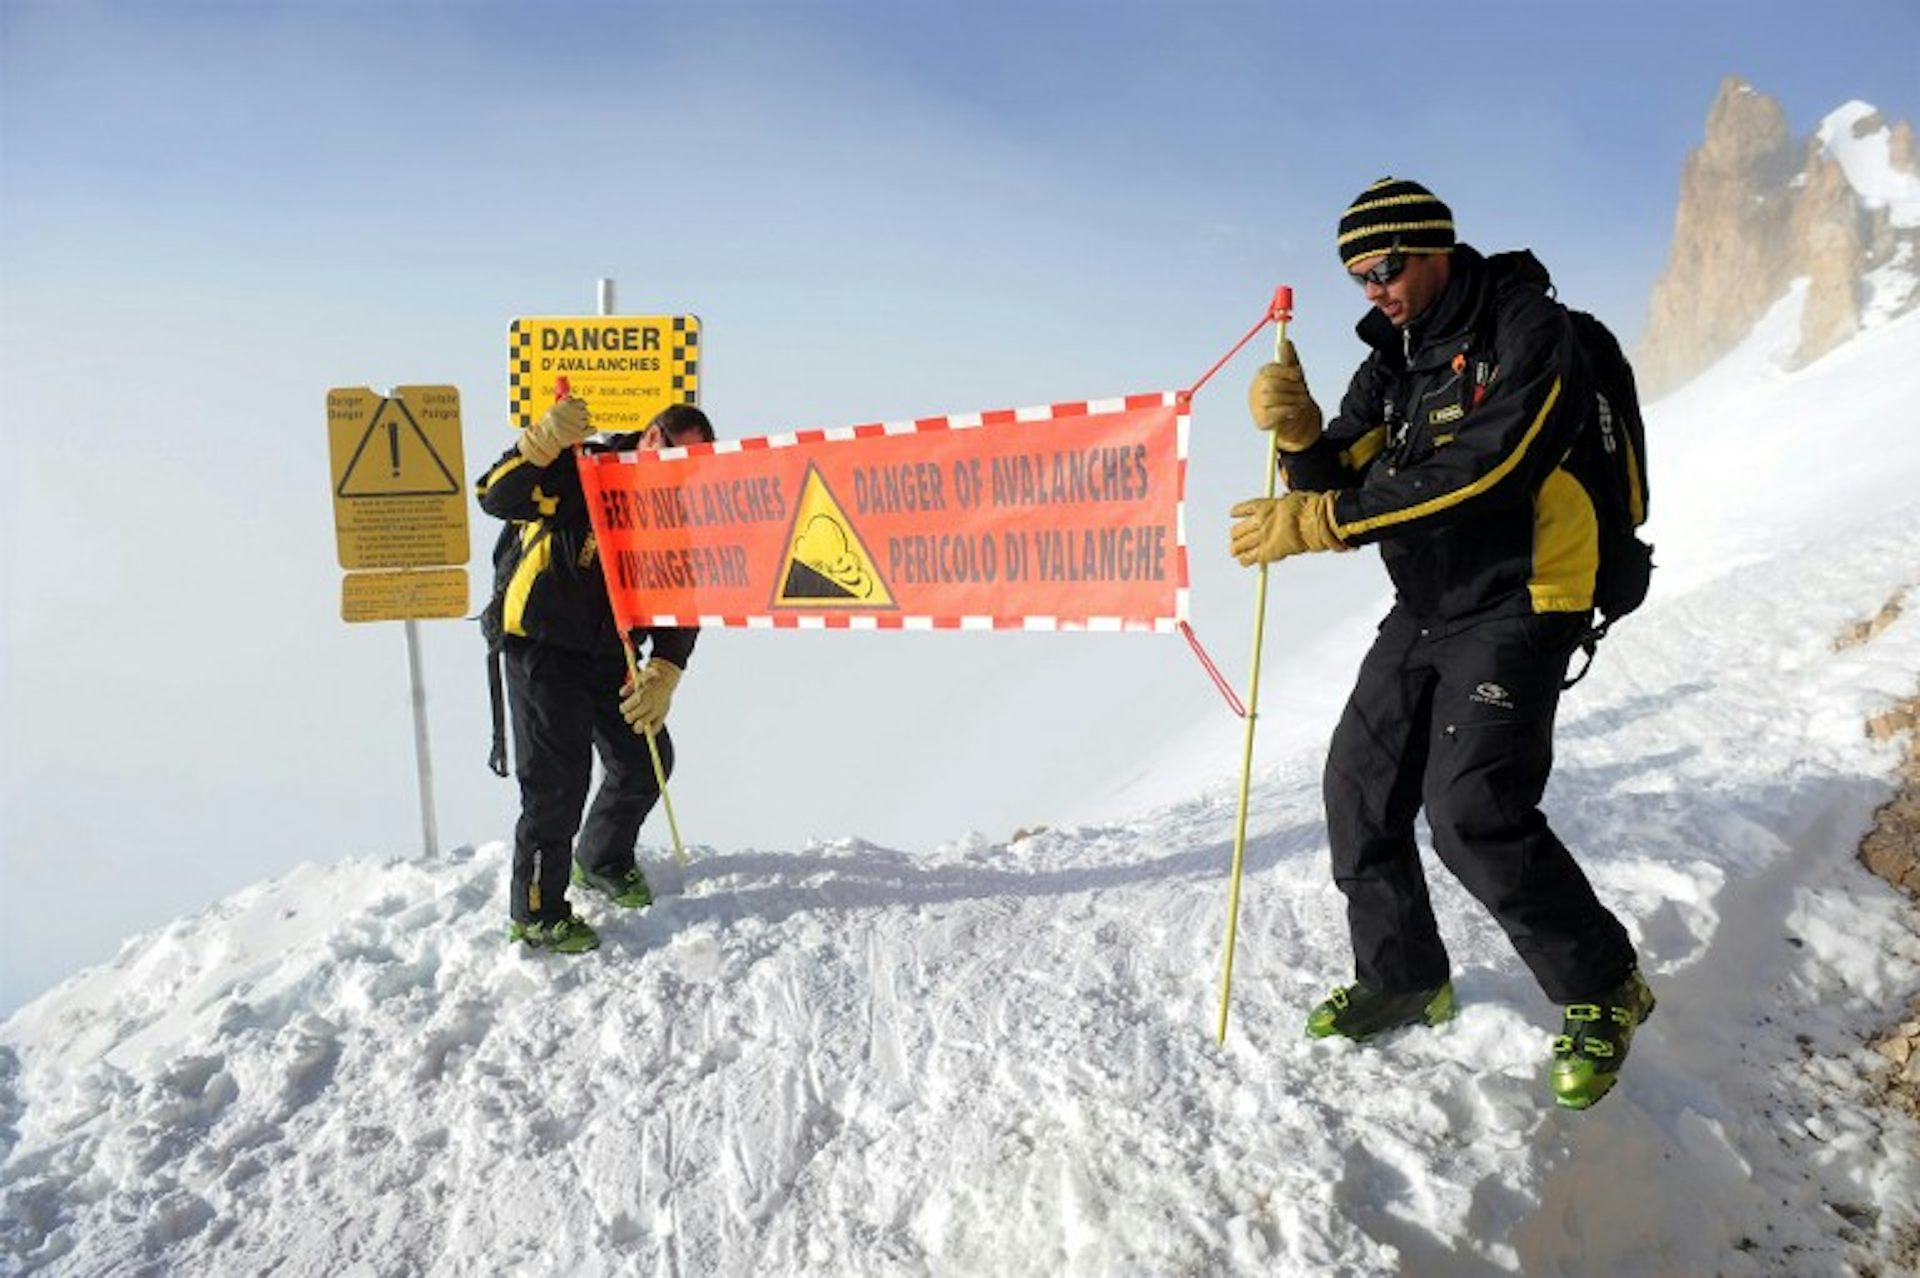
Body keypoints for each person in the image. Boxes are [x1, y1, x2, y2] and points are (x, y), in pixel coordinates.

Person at [1229, 177, 1654, 1109]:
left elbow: (1493, 467)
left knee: (1471, 811)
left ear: (1435, 250)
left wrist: (1327, 521)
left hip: (1525, 595)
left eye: (1384, 267)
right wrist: (1300, 435)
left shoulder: (1530, 329)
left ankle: (1605, 988)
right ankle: (1404, 978)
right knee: (1358, 787)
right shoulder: (1395, 356)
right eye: (1357, 275)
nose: (1372, 289)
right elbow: (1337, 471)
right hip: (1426, 600)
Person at [476, 399, 716, 954]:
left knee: (645, 761)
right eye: (677, 454)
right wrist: (540, 442)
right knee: (557, 786)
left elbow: (682, 596)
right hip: (541, 647)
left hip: (611, 653)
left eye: (695, 464)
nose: (682, 470)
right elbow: (496, 496)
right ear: (652, 437)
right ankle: (537, 914)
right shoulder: (582, 466)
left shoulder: (673, 514)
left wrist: (665, 669)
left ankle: (601, 861)